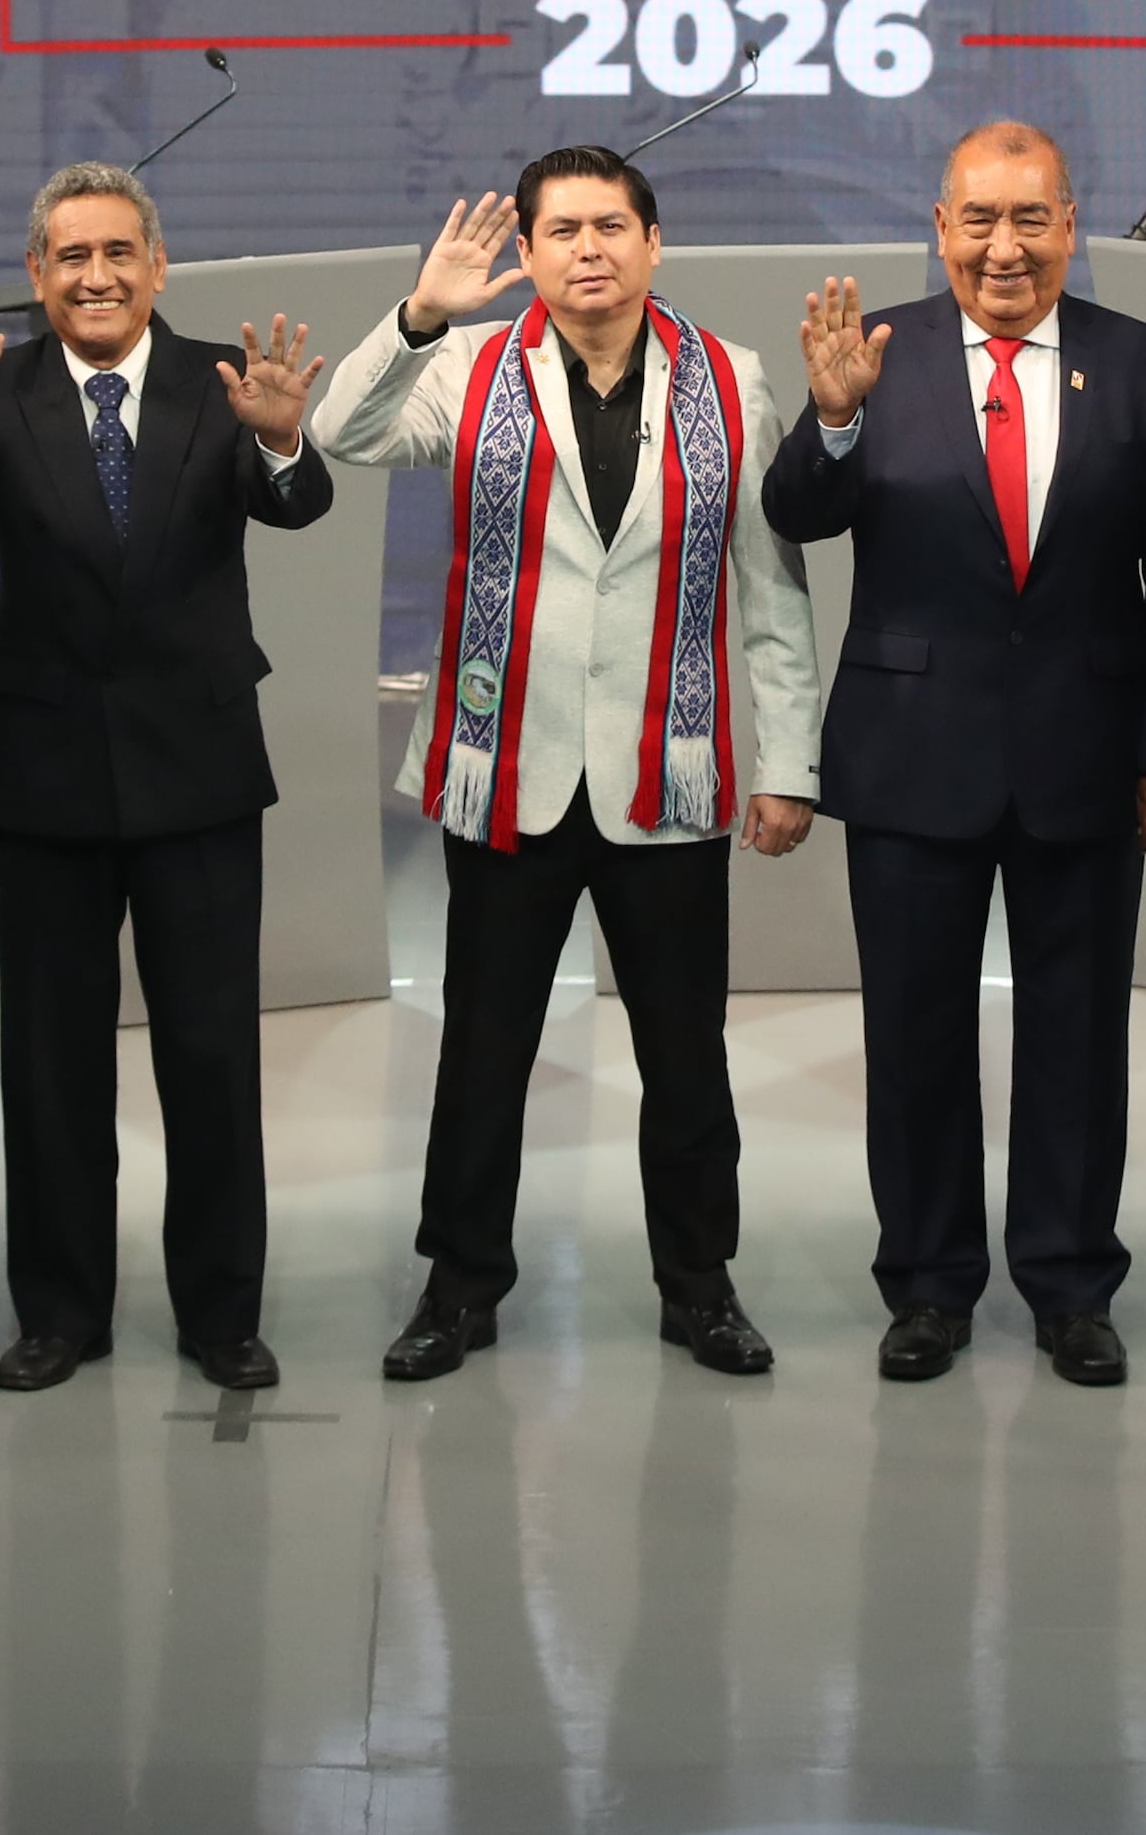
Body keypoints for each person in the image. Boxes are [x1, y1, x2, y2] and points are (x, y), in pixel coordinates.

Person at [305, 149, 819, 1382]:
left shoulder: (732, 383)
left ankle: (698, 1284)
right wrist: (422, 312)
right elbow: (340, 430)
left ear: (654, 244)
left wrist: (788, 762)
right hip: (507, 773)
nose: (586, 249)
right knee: (482, 1050)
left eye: (610, 227)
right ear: (524, 254)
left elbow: (769, 589)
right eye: (560, 231)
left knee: (685, 1057)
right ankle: (459, 1286)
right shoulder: (473, 368)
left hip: (667, 769)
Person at [769, 120, 1146, 1388]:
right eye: (978, 220)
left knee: (1077, 1038)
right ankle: (924, 1286)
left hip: (1087, 756)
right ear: (938, 225)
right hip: (912, 756)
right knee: (914, 1037)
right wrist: (832, 421)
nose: (1003, 248)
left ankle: (1071, 1283)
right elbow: (794, 514)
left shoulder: (1139, 364)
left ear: (1070, 226)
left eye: (1029, 220)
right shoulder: (876, 355)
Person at [0, 160, 332, 1394]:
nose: (94, 276)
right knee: (51, 1059)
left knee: (209, 1054)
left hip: (197, 772)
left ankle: (220, 1315)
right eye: (69, 257)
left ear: (156, 267)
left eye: (116, 253)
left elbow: (295, 502)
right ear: (36, 276)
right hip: (48, 775)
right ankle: (60, 1314)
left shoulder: (219, 384)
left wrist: (286, 441)